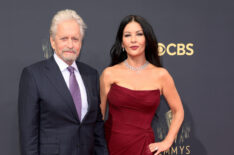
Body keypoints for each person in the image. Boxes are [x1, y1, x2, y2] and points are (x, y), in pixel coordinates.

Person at [18, 9, 107, 155]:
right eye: (64, 38)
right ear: (53, 41)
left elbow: (97, 126)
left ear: (81, 42)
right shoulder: (33, 75)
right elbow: (28, 135)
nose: (70, 45)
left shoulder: (91, 75)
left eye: (75, 39)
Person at [100, 15, 184, 155]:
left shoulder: (161, 75)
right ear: (122, 43)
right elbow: (99, 117)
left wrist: (168, 141)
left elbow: (178, 111)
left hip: (143, 147)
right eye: (127, 35)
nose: (133, 40)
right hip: (110, 146)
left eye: (139, 34)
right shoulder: (109, 74)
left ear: (147, 39)